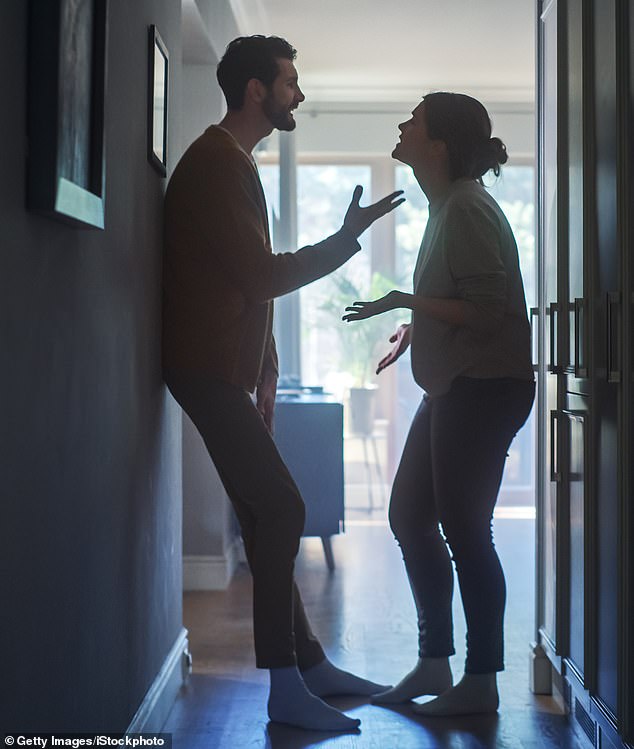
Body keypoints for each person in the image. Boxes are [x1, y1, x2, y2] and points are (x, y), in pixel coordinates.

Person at [162, 35, 404, 731]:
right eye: (291, 81)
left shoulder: (234, 163)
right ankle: (287, 689)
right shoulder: (216, 164)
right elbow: (262, 276)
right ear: (257, 91)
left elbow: (245, 281)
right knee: (287, 508)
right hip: (203, 370)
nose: (300, 93)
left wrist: (265, 371)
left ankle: (311, 665)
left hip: (219, 371)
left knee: (268, 513)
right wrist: (345, 236)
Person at [343, 92, 535, 716]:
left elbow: (487, 312)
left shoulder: (467, 208)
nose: (402, 125)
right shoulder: (447, 205)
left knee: (464, 531)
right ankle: (434, 664)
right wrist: (418, 328)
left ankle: (480, 682)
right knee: (409, 516)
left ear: (440, 144)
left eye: (414, 121)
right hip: (459, 385)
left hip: (485, 389)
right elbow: (463, 302)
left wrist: (404, 302)